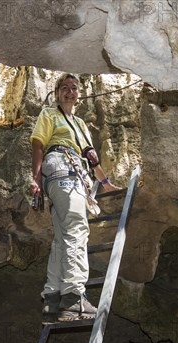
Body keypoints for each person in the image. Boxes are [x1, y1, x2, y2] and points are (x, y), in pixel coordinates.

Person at [29, 73, 121, 323]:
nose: (70, 92)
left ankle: (53, 299)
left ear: (79, 94)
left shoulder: (80, 125)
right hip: (62, 168)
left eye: (74, 88)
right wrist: (35, 179)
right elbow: (38, 145)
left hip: (73, 172)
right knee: (77, 229)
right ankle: (73, 297)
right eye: (64, 88)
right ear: (57, 92)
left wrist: (105, 183)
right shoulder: (49, 114)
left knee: (62, 237)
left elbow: (91, 159)